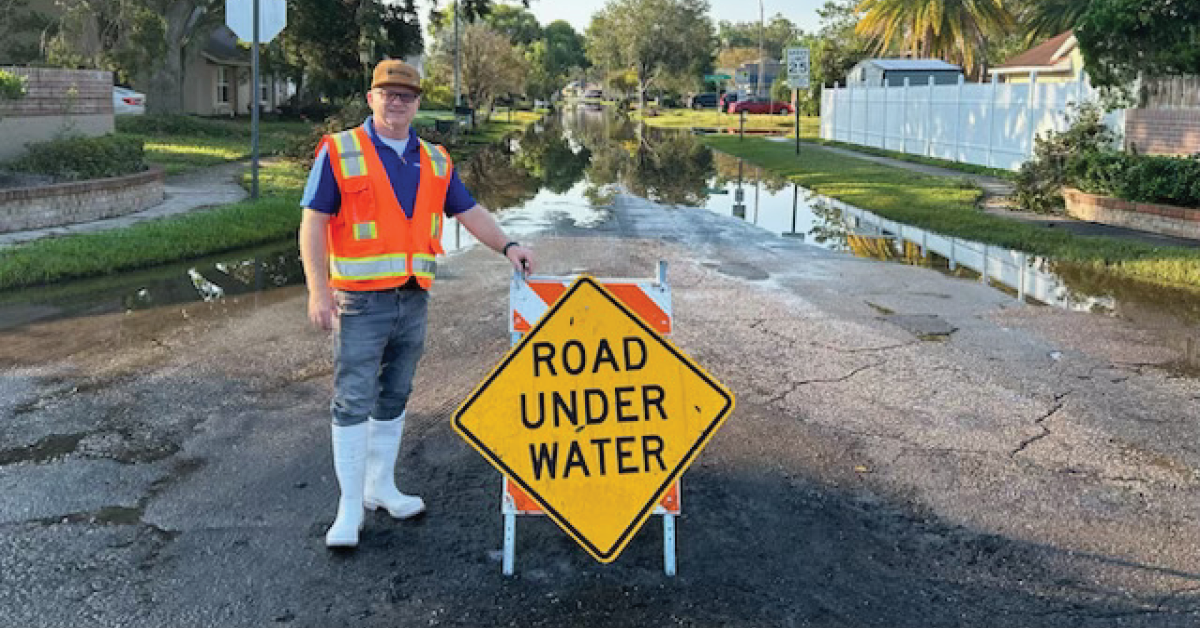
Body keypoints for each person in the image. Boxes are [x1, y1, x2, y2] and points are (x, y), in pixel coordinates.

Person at [298, 59, 534, 549]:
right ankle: (349, 507)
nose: (398, 101)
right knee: (353, 398)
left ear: (417, 103)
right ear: (371, 98)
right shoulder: (341, 151)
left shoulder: (435, 159)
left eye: (407, 95)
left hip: (412, 296)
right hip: (359, 301)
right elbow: (314, 221)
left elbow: (468, 211)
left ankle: (381, 488)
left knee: (395, 394)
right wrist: (318, 290)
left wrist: (508, 246)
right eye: (389, 93)